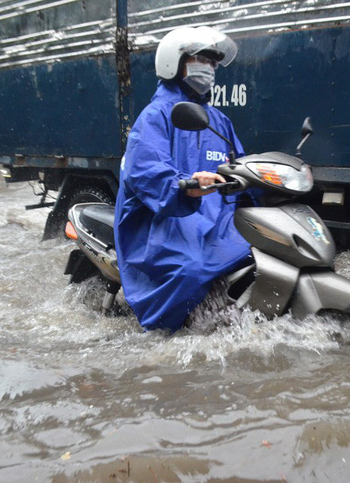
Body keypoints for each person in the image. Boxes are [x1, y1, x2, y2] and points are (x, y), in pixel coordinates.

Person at [114, 26, 251, 332]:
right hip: (163, 224)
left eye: (214, 63)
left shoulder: (219, 120)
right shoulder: (155, 115)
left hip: (216, 221)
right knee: (191, 269)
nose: (209, 68)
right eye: (201, 58)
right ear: (174, 63)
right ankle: (164, 329)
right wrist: (185, 185)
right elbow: (146, 171)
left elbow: (239, 166)